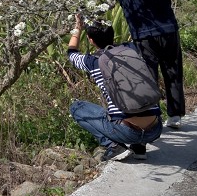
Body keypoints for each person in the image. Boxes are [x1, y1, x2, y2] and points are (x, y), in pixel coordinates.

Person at [67, 13, 163, 162]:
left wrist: (78, 26)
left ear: (91, 40)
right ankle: (139, 147)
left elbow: (71, 52)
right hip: (156, 129)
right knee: (131, 102)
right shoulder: (132, 50)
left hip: (127, 132)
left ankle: (112, 145)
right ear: (113, 35)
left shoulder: (93, 62)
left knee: (77, 107)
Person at [112, 0, 185, 129]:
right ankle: (175, 116)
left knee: (148, 76)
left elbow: (119, 0)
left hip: (142, 34)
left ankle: (152, 117)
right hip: (168, 30)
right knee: (173, 72)